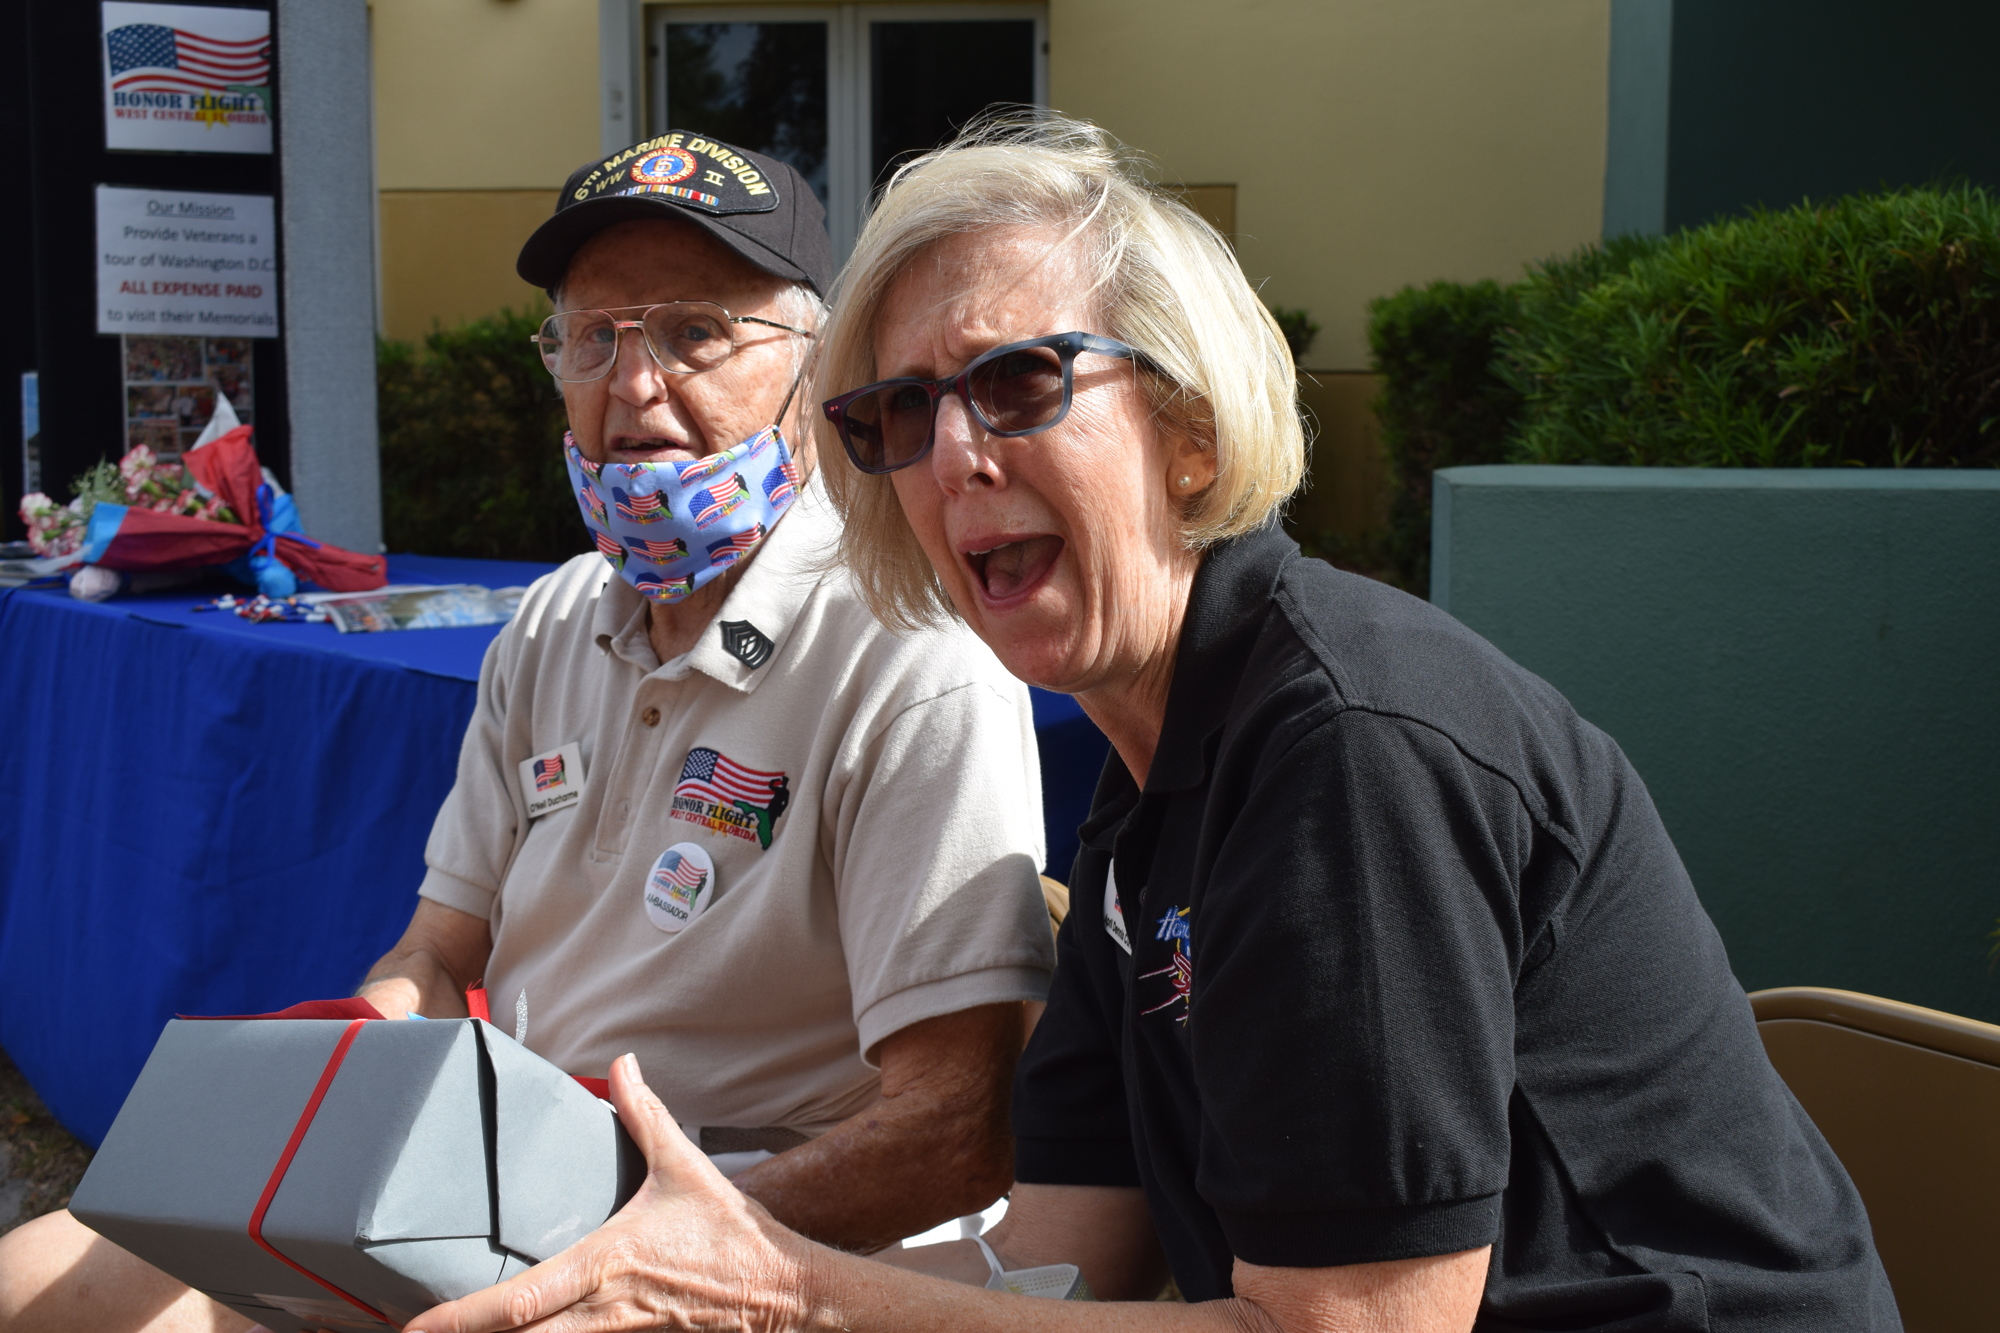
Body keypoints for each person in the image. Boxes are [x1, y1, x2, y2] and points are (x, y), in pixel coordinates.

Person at [400, 115, 1900, 1333]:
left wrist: (779, 1288)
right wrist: (686, 1299)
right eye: (901, 417)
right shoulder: (1147, 772)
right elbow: (1053, 1261)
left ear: (1189, 428)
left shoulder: (1345, 752)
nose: (953, 458)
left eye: (1017, 381)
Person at [0, 131, 1056, 1333]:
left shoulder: (907, 649)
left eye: (694, 332)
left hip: (751, 1250)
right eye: (592, 338)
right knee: (38, 1279)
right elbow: (440, 956)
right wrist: (335, 1114)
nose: (634, 384)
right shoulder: (555, 621)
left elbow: (954, 1129)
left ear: (819, 370)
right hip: (495, 1204)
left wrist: (652, 1250)